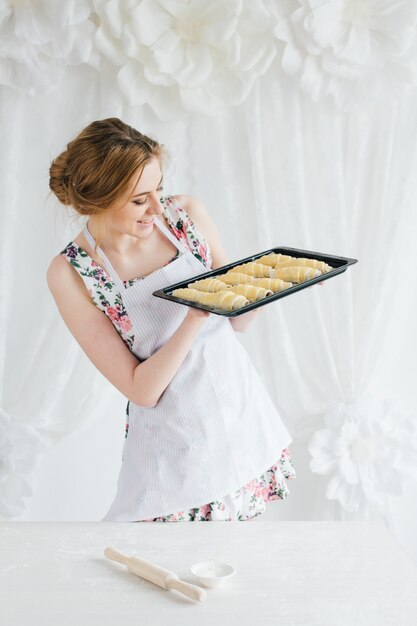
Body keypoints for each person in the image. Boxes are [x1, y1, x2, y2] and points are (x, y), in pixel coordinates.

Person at [47, 117, 296, 522]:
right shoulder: (73, 273)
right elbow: (141, 390)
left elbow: (238, 321)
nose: (158, 208)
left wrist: (279, 282)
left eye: (159, 189)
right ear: (100, 199)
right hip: (177, 447)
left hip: (239, 416)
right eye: (139, 199)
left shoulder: (187, 216)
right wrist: (194, 317)